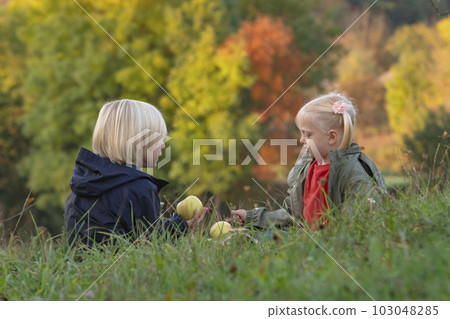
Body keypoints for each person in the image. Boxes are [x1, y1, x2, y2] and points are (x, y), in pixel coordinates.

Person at [232, 93, 386, 230]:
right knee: (246, 238)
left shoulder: (353, 173)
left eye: (308, 134)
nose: (301, 140)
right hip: (306, 240)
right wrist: (252, 217)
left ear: (332, 137)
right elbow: (294, 214)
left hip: (330, 247)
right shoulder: (309, 166)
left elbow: (357, 223)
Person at [64, 99, 207, 247]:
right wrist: (181, 225)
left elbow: (140, 235)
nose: (163, 145)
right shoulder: (139, 188)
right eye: (159, 139)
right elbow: (152, 243)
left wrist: (179, 223)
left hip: (80, 268)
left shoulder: (82, 183)